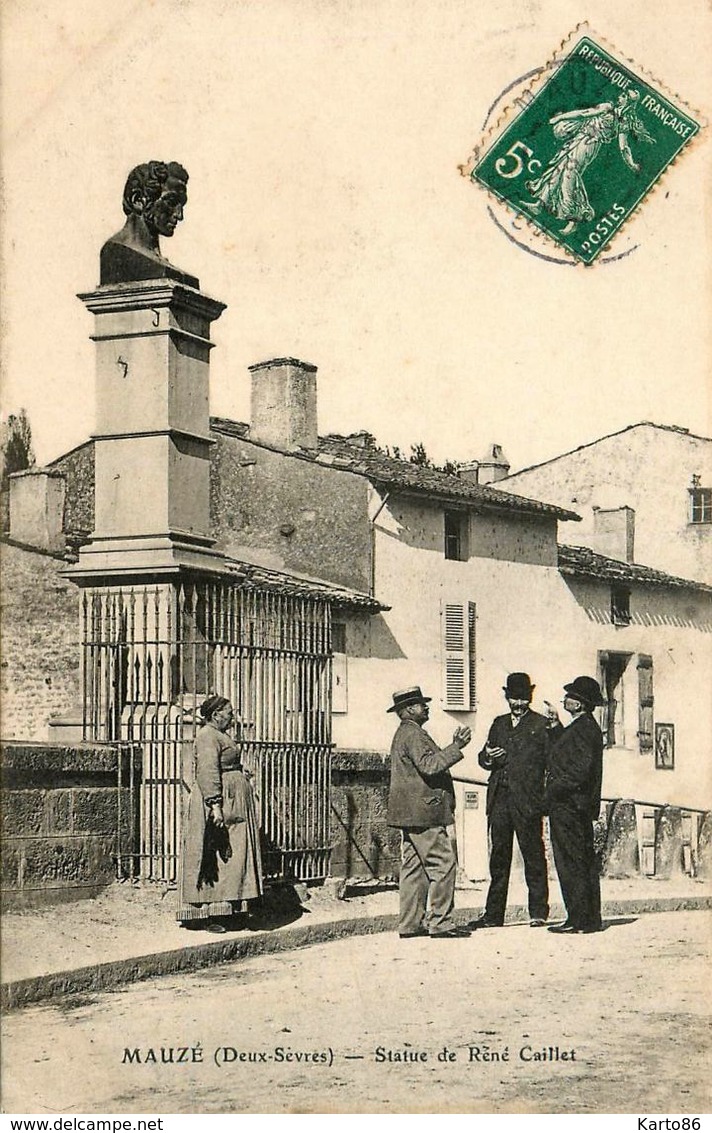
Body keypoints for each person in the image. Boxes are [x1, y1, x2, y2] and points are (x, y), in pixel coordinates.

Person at [386, 686, 472, 939]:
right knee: (443, 864)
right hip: (425, 812)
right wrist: (456, 746)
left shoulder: (405, 733)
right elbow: (430, 765)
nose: (426, 707)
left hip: (409, 813)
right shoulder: (414, 734)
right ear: (410, 710)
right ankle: (441, 922)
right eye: (422, 704)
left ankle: (410, 924)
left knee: (414, 869)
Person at [469, 673, 549, 930]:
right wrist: (489, 757)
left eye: (523, 698)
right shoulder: (498, 723)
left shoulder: (541, 725)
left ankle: (538, 912)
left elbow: (550, 764)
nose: (518, 703)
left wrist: (542, 797)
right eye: (514, 698)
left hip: (527, 801)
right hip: (500, 800)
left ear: (530, 697)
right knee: (498, 859)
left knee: (533, 856)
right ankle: (493, 915)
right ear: (506, 696)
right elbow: (483, 758)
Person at [178, 695, 263, 933]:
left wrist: (240, 770)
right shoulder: (207, 736)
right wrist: (215, 804)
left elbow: (225, 762)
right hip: (218, 801)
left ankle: (229, 909)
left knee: (232, 856)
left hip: (231, 799)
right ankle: (208, 914)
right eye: (229, 712)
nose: (233, 716)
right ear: (216, 715)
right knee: (215, 854)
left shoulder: (221, 735)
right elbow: (207, 771)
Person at [523, 89, 655, 234]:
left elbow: (624, 147)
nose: (620, 96)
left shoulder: (624, 122)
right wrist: (561, 119)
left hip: (588, 145)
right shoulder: (607, 107)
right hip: (579, 139)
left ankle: (573, 218)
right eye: (622, 94)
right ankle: (540, 203)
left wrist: (631, 163)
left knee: (569, 176)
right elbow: (583, 113)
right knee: (558, 167)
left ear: (629, 102)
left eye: (624, 96)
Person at [544, 676, 605, 935]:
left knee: (572, 863)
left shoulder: (584, 729)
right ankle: (588, 919)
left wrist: (551, 791)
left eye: (569, 696)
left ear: (580, 704)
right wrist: (556, 725)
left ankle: (579, 920)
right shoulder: (582, 726)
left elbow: (579, 770)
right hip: (574, 805)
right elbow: (568, 752)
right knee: (580, 861)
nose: (565, 699)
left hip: (569, 805)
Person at [100, 160, 198, 285]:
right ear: (138, 200)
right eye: (171, 202)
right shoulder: (116, 251)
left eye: (181, 205)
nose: (179, 216)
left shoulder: (157, 260)